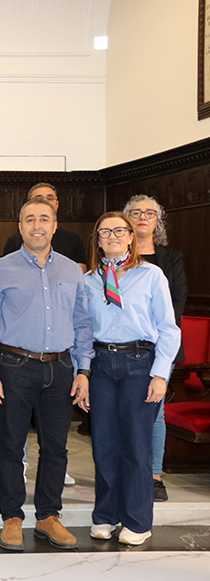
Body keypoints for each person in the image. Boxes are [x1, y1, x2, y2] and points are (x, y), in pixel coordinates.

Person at [0, 197, 93, 552]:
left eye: (44, 219)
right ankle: (12, 517)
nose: (37, 226)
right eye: (29, 219)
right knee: (10, 446)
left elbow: (83, 323)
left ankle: (48, 516)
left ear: (55, 226)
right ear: (20, 226)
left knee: (56, 447)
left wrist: (84, 369)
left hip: (60, 368)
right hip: (14, 367)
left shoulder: (73, 270)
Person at [85, 212, 180, 546]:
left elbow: (168, 327)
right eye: (104, 232)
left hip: (140, 363)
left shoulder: (150, 275)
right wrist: (83, 373)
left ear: (130, 236)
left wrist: (161, 374)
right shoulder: (89, 280)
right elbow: (82, 331)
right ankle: (106, 515)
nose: (111, 236)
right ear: (97, 240)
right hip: (101, 365)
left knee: (136, 445)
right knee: (104, 444)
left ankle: (138, 520)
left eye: (118, 230)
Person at [122, 195, 188, 502]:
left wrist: (149, 335)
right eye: (136, 213)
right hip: (122, 347)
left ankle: (154, 475)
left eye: (150, 213)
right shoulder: (116, 256)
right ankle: (127, 471)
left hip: (161, 345)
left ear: (158, 221)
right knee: (123, 412)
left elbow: (175, 306)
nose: (143, 217)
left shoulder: (171, 257)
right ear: (126, 220)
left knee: (154, 412)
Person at [4, 183, 87, 272]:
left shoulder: (73, 238)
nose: (45, 202)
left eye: (50, 199)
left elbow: (80, 273)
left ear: (57, 204)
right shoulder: (14, 240)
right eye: (38, 199)